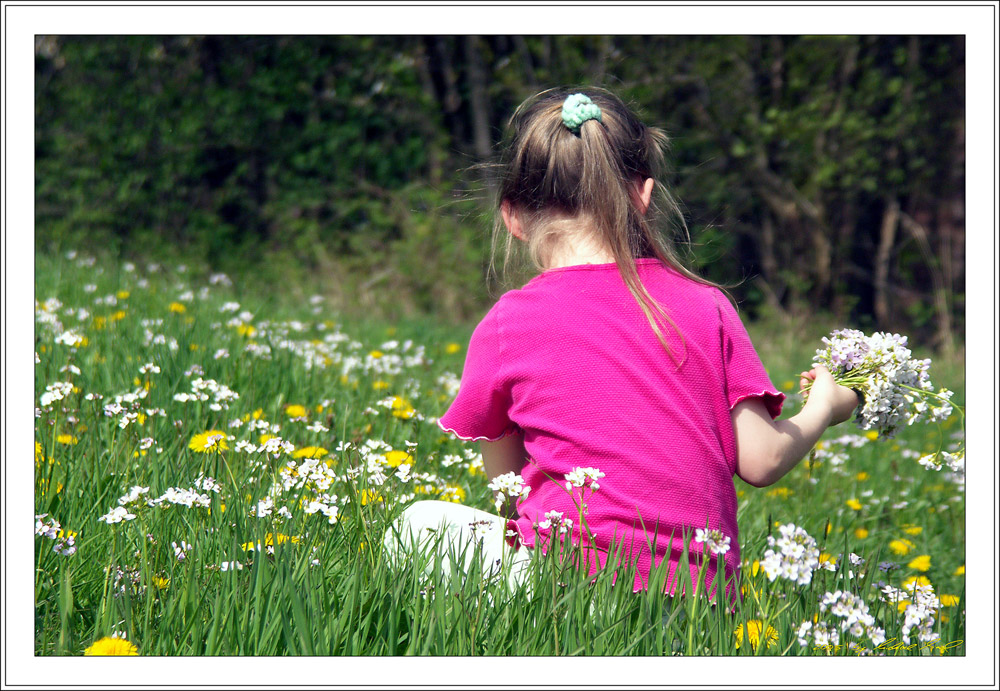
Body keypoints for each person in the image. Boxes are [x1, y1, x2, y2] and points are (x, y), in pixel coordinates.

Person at [382, 87, 858, 600]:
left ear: (512, 217)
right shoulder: (707, 304)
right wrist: (824, 405)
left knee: (420, 523)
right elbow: (762, 460)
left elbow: (507, 489)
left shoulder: (509, 323)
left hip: (569, 592)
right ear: (643, 195)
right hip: (700, 613)